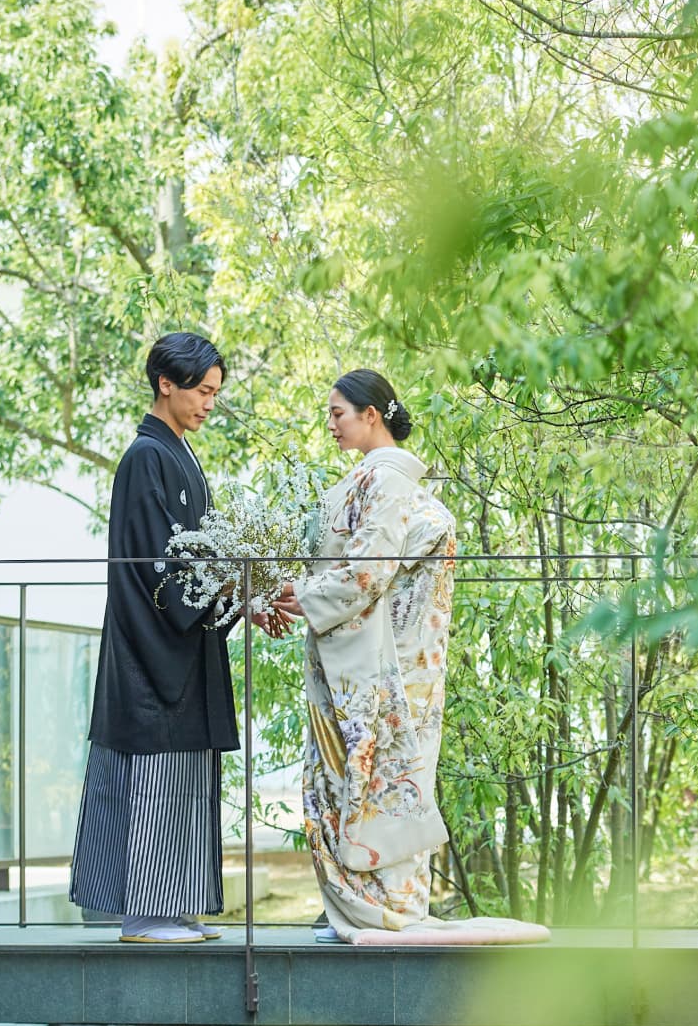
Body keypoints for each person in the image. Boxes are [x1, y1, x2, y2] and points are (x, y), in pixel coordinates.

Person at [70, 332, 281, 943]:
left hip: (180, 642)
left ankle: (172, 906)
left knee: (181, 775)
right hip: (151, 646)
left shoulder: (177, 454)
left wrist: (242, 595)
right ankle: (145, 913)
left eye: (215, 392)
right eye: (202, 391)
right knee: (155, 772)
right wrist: (232, 590)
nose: (210, 403)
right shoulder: (146, 456)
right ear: (166, 384)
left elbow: (196, 556)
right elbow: (158, 561)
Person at [274, 369, 457, 942]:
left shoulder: (387, 481)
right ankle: (370, 908)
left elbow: (367, 572)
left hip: (387, 661)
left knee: (376, 779)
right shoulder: (380, 479)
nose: (331, 424)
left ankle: (379, 911)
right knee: (378, 778)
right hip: (391, 654)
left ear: (370, 414)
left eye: (338, 413)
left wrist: (304, 595)